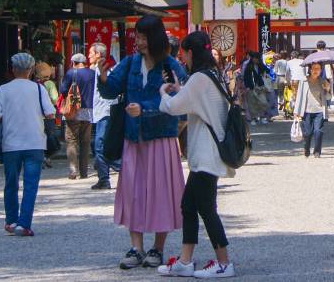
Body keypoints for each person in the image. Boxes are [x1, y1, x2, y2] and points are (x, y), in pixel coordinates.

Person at [97, 14, 188, 270]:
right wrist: (103, 78)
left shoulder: (171, 66)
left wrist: (145, 109)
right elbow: (111, 89)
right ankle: (136, 247)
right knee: (132, 192)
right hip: (132, 137)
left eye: (144, 36)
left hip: (161, 137)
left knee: (161, 193)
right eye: (137, 36)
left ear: (155, 38)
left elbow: (178, 102)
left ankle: (157, 248)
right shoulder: (129, 63)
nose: (138, 41)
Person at [157, 31, 236, 279]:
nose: (183, 59)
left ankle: (224, 262)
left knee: (205, 207)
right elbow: (197, 101)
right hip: (211, 152)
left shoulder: (199, 79)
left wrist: (163, 92)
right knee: (189, 205)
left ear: (190, 53)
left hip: (206, 154)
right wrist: (182, 89)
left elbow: (173, 107)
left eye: (183, 54)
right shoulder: (213, 75)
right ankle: (185, 260)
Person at [0, 52, 56, 236]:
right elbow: (50, 113)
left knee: (11, 183)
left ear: (13, 69)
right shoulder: (39, 89)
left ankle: (11, 221)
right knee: (30, 184)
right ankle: (24, 224)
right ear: (31, 70)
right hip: (35, 142)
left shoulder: (3, 90)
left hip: (11, 142)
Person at [59, 53, 96, 180]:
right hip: (89, 111)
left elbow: (63, 90)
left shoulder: (71, 73)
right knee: (85, 142)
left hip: (73, 110)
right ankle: (84, 172)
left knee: (71, 140)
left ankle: (73, 170)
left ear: (73, 62)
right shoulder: (92, 73)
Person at [90, 42, 120, 190]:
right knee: (99, 145)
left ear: (97, 54)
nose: (89, 56)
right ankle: (104, 177)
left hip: (105, 112)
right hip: (101, 112)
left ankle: (115, 170)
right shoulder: (99, 69)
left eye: (91, 53)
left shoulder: (104, 70)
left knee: (100, 145)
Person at [294, 62, 331, 157]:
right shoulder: (304, 81)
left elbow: (328, 97)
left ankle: (317, 151)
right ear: (310, 70)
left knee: (318, 131)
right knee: (308, 133)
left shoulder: (323, 81)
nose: (316, 71)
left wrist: (327, 89)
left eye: (318, 69)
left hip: (319, 111)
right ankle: (306, 148)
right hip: (306, 111)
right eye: (314, 68)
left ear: (320, 70)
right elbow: (299, 96)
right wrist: (296, 112)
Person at [34, 62, 59, 169]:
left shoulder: (33, 84)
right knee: (50, 136)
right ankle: (47, 157)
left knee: (39, 137)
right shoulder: (50, 84)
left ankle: (41, 157)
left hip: (36, 115)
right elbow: (55, 99)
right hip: (48, 115)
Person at [241, 51, 270, 124]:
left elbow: (267, 70)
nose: (256, 60)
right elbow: (245, 77)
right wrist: (247, 86)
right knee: (252, 103)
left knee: (263, 102)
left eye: (257, 58)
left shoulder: (260, 65)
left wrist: (262, 66)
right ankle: (253, 118)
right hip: (250, 86)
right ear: (252, 58)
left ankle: (262, 117)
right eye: (255, 58)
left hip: (260, 86)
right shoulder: (248, 66)